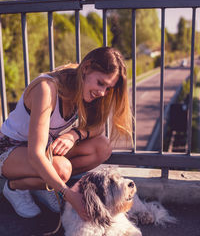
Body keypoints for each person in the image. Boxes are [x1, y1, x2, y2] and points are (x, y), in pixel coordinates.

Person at [0, 47, 133, 220]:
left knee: (102, 147)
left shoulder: (84, 86)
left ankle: (43, 185)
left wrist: (74, 135)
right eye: (101, 83)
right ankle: (15, 187)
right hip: (10, 150)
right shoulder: (46, 89)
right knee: (62, 169)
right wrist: (68, 194)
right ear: (86, 68)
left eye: (108, 88)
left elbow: (98, 127)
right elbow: (35, 154)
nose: (102, 93)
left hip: (45, 148)